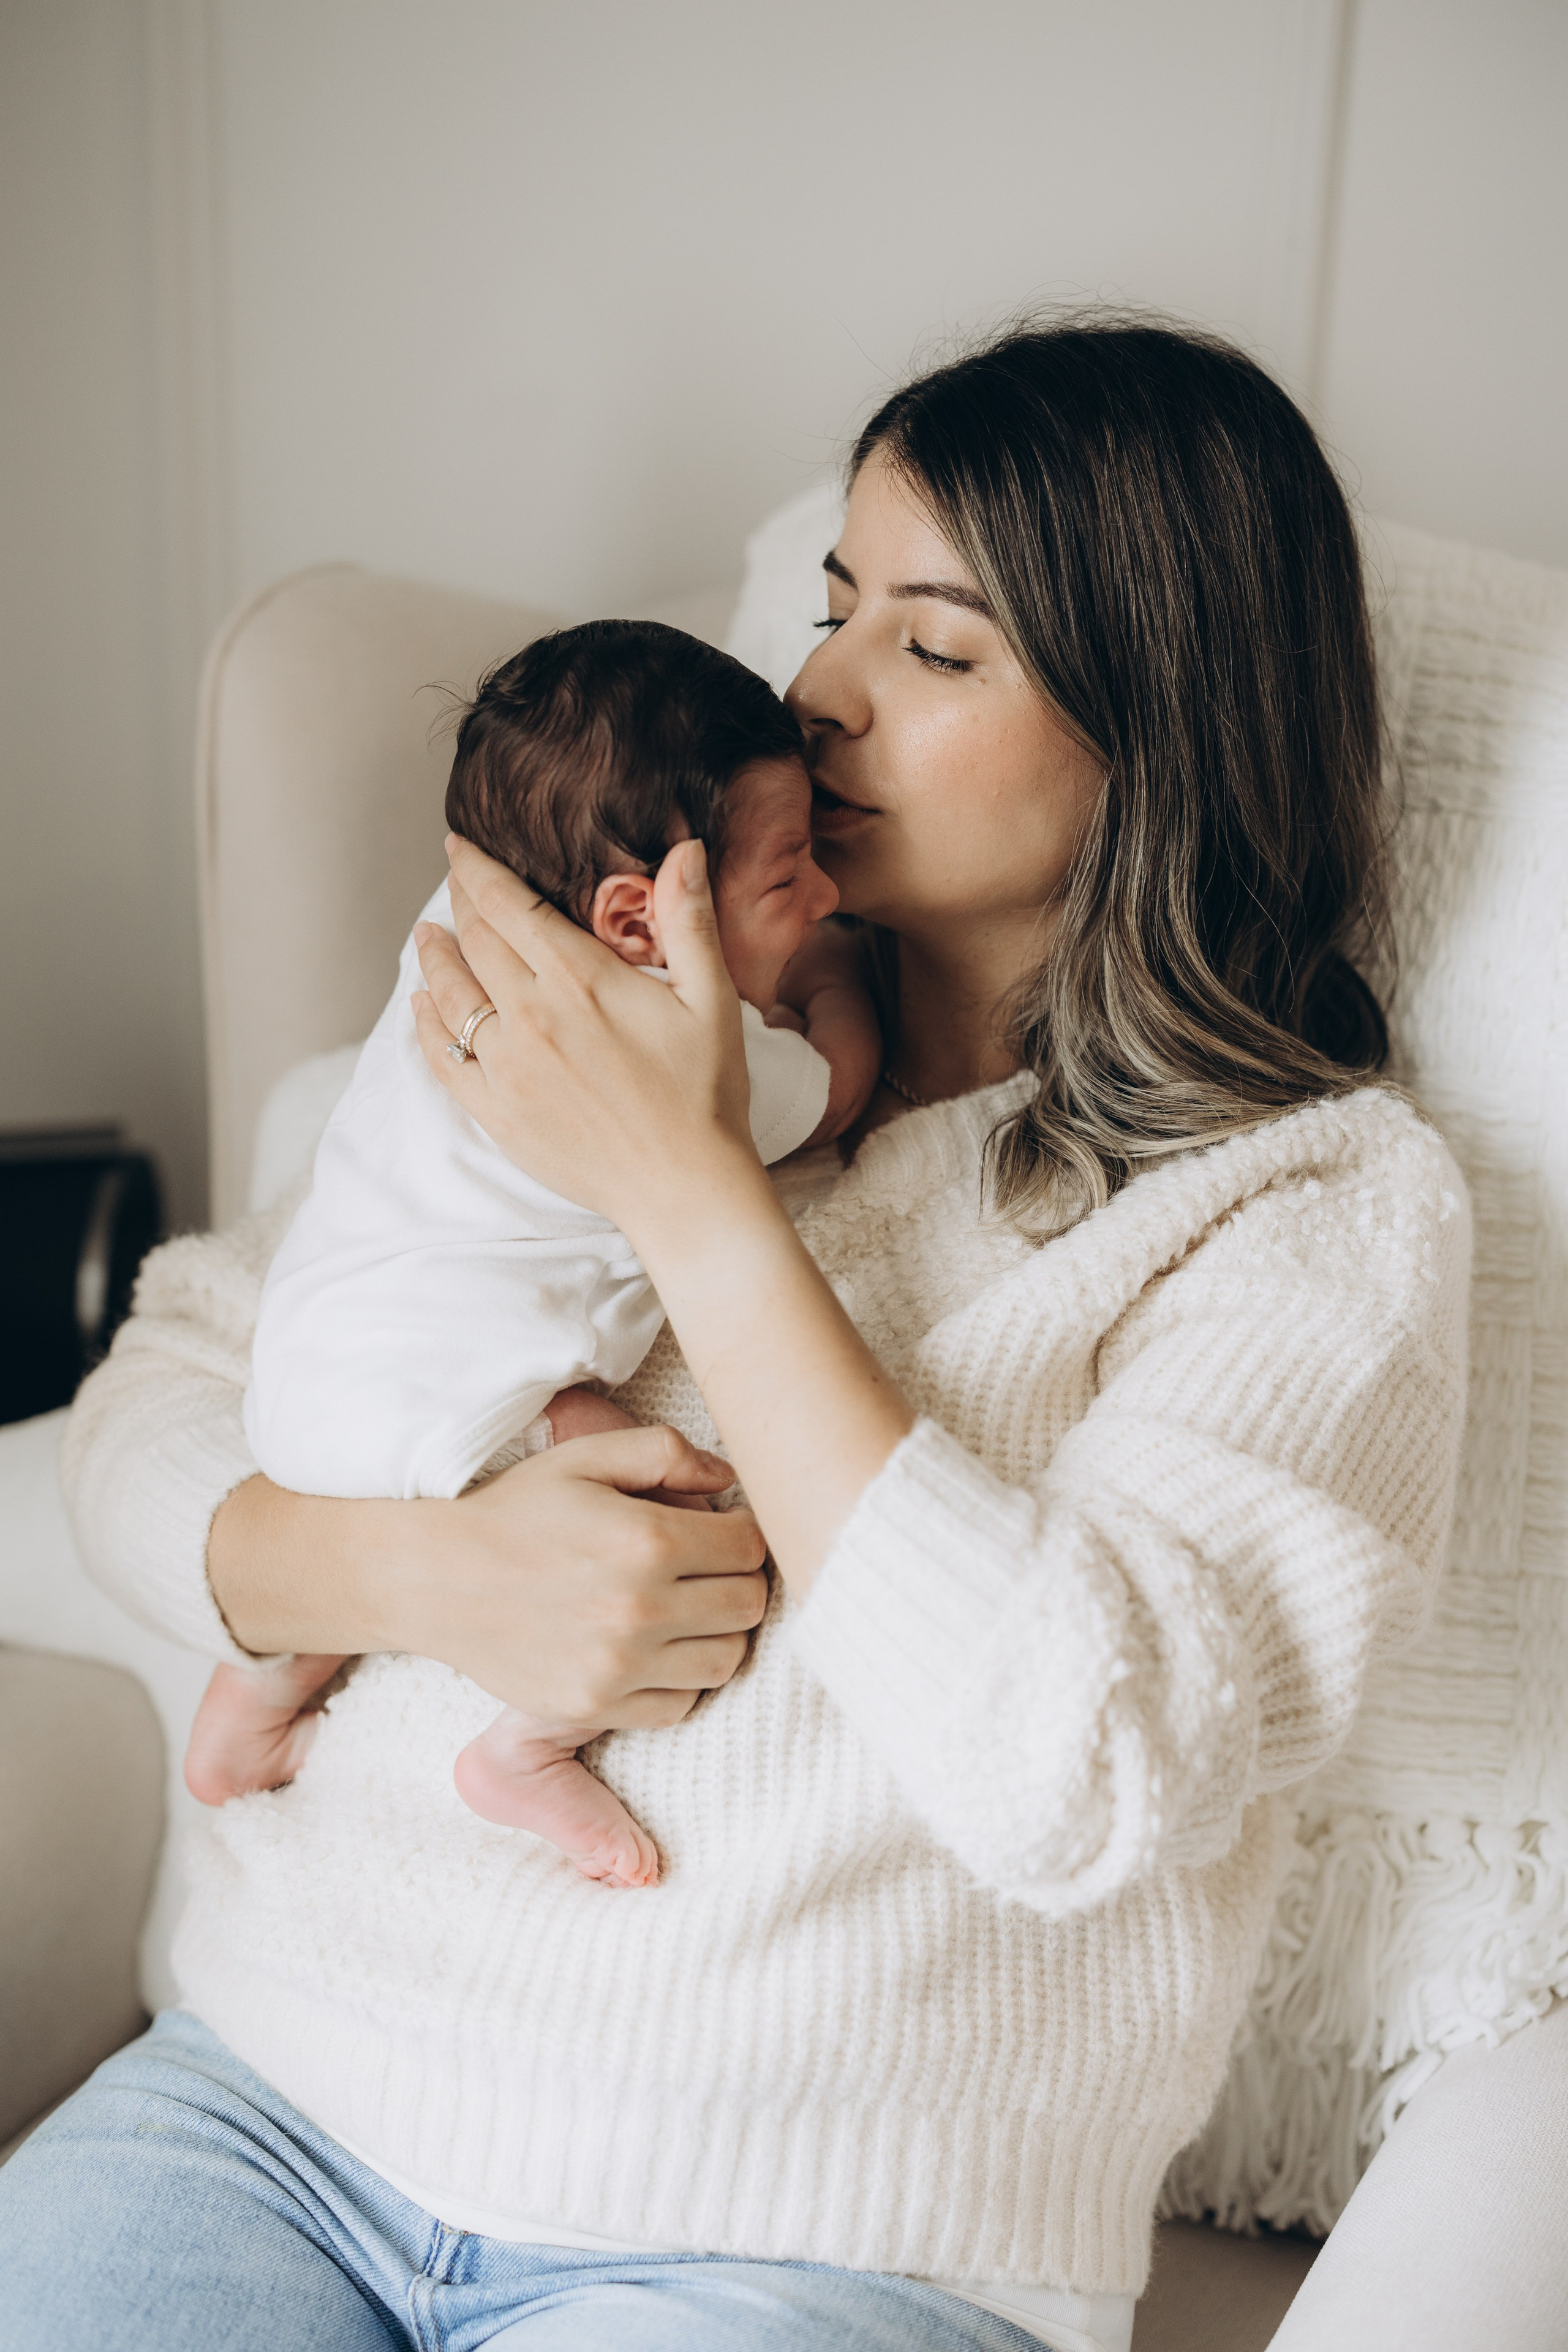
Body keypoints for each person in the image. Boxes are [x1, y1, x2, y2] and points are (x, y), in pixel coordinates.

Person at [9, 318, 1470, 2352]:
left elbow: (1089, 1763)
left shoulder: (1308, 1204)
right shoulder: (635, 982)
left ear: (1169, 732)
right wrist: (424, 1576)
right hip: (270, 2107)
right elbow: (154, 1394)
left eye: (934, 650)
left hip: (808, 2239)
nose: (819, 695)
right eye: (832, 608)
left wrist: (697, 1198)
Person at [186, 620, 881, 1889]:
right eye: (791, 881)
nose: (825, 897)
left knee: (422, 1459)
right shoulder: (682, 1047)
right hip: (457, 1391)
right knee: (656, 1512)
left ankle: (256, 1693)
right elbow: (834, 1093)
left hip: (303, 1377)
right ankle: (524, 1746)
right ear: (638, 920)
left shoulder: (462, 937)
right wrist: (837, 984)